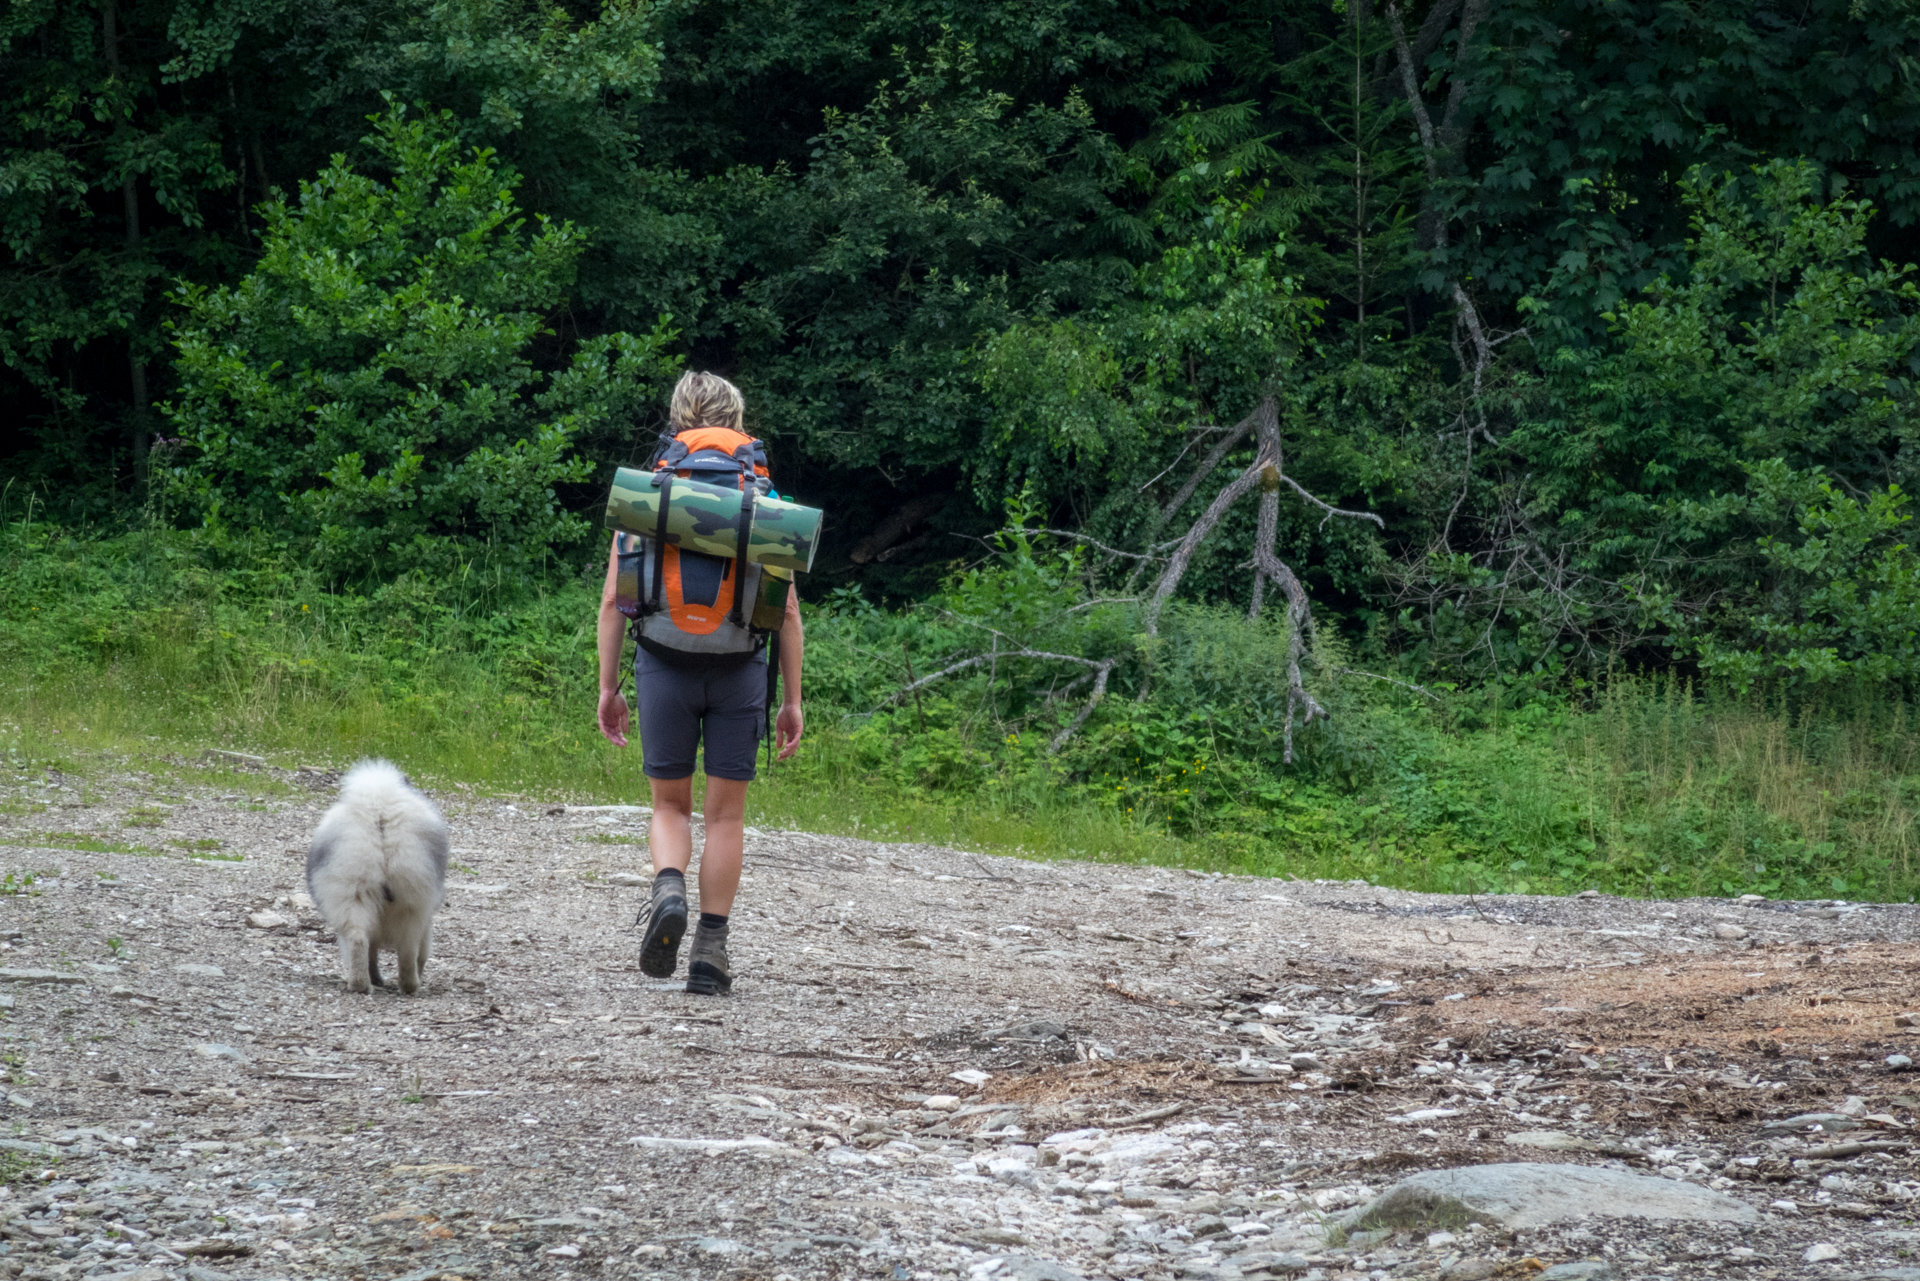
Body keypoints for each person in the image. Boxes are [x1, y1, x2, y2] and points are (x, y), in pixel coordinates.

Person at [595, 371, 804, 995]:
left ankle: (668, 889)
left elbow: (615, 600)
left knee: (669, 804)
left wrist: (609, 688)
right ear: (737, 422)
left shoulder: (647, 494)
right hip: (741, 668)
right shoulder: (764, 497)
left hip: (663, 662)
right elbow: (786, 610)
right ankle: (710, 954)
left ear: (678, 418)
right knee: (726, 818)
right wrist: (792, 699)